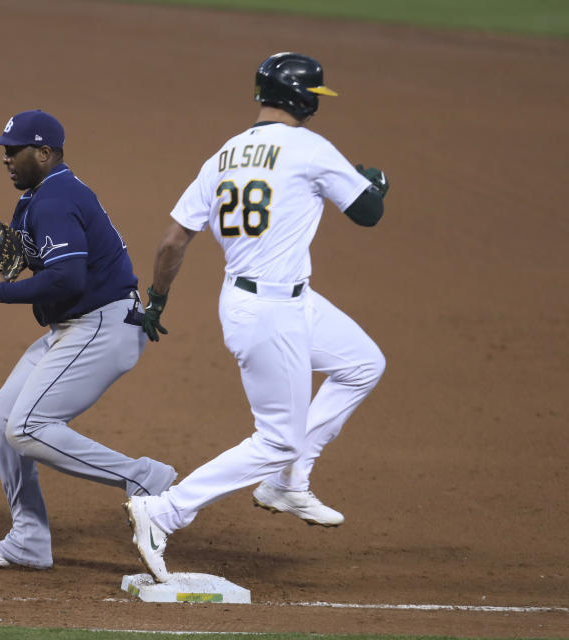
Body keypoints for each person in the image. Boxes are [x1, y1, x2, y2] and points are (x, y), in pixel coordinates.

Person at [124, 52, 389, 582]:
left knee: (362, 363)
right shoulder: (311, 148)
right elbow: (368, 213)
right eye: (316, 96)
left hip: (274, 301)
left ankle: (289, 483)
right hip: (271, 312)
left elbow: (175, 238)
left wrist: (156, 298)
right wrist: (374, 182)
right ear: (303, 99)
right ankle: (165, 511)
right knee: (275, 438)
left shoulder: (222, 156)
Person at [0, 110, 177, 569]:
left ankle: (144, 478)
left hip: (102, 325)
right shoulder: (36, 199)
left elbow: (64, 279)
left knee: (26, 427)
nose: (5, 158)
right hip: (80, 326)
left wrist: (3, 292)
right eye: (4, 149)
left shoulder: (56, 200)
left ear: (44, 153)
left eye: (14, 149)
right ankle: (29, 538)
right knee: (3, 414)